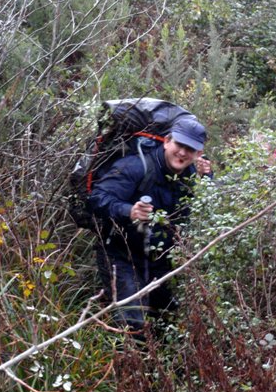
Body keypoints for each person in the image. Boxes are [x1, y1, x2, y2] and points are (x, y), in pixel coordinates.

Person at [89, 117, 212, 332]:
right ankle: (123, 362)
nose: (182, 153)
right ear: (166, 141)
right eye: (179, 145)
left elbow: (207, 208)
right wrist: (129, 211)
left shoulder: (194, 176)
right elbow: (97, 198)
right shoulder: (135, 166)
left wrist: (208, 179)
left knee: (168, 323)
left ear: (198, 154)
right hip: (122, 256)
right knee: (133, 324)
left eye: (190, 149)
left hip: (162, 262)